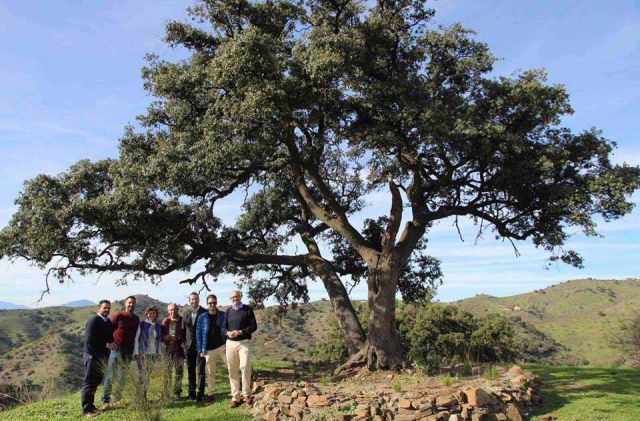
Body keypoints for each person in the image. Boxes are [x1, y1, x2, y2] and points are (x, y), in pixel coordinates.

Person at [101, 295, 139, 409]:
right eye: (129, 302)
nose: (131, 305)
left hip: (128, 351)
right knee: (110, 375)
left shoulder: (136, 319)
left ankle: (117, 399)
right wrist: (108, 343)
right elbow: (107, 330)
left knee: (122, 376)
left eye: (133, 303)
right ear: (125, 303)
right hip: (116, 350)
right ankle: (105, 401)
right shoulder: (118, 316)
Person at [223, 289, 257, 408]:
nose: (235, 299)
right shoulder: (228, 311)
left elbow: (254, 326)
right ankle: (235, 397)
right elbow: (223, 328)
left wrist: (241, 332)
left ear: (240, 297)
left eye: (237, 297)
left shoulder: (247, 309)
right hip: (230, 344)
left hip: (244, 343)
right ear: (230, 298)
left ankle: (246, 394)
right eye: (232, 297)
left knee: (245, 366)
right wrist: (228, 333)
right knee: (232, 369)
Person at [81, 300, 114, 417]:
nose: (106, 310)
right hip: (91, 356)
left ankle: (91, 406)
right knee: (89, 382)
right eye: (104, 307)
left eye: (108, 308)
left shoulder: (108, 321)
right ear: (99, 308)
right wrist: (106, 344)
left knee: (95, 382)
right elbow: (90, 339)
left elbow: (110, 337)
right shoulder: (93, 321)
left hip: (102, 357)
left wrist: (111, 343)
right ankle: (86, 410)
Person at [196, 294, 226, 403]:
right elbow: (198, 334)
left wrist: (228, 343)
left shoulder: (223, 315)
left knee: (231, 367)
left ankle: (235, 389)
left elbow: (228, 329)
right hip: (208, 349)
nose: (212, 305)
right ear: (207, 304)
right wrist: (200, 350)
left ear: (216, 303)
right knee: (210, 372)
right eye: (210, 303)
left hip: (223, 346)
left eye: (214, 302)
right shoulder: (202, 317)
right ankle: (211, 393)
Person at [182, 292, 207, 400]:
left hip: (201, 346)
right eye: (192, 299)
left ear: (199, 300)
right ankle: (191, 394)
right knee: (191, 371)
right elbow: (183, 330)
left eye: (196, 299)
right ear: (189, 300)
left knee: (201, 371)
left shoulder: (204, 312)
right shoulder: (185, 313)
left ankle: (200, 394)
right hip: (189, 347)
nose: (194, 301)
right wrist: (184, 345)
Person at [133, 306, 162, 397]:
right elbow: (136, 338)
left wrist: (159, 353)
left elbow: (159, 340)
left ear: (156, 314)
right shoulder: (142, 324)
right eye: (150, 313)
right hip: (142, 354)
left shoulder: (158, 325)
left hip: (153, 354)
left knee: (147, 375)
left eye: (154, 313)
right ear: (147, 314)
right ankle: (139, 397)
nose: (152, 315)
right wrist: (136, 352)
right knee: (142, 376)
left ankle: (144, 396)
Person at [161, 302, 185, 399]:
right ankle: (166, 393)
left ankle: (177, 393)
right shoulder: (165, 321)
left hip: (179, 350)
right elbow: (160, 335)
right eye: (171, 309)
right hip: (167, 350)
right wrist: (165, 337)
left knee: (179, 372)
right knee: (167, 372)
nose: (173, 311)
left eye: (174, 309)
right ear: (168, 311)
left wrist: (178, 337)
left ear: (177, 310)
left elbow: (185, 334)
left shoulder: (182, 321)